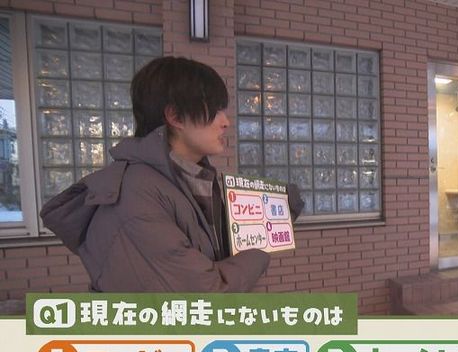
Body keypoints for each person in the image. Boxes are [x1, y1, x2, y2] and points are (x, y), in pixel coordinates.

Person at [40, 56, 303, 292]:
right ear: (175, 117)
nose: (225, 122)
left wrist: (274, 211)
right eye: (214, 110)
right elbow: (206, 294)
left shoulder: (189, 181)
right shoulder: (134, 196)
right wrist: (260, 248)